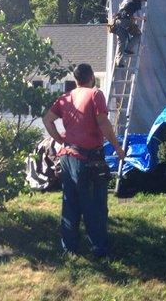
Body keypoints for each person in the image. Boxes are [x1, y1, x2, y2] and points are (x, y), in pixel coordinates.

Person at [42, 63, 125, 257]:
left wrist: (60, 140)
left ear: (76, 79)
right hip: (88, 159)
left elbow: (47, 120)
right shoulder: (95, 94)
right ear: (91, 78)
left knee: (70, 202)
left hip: (67, 157)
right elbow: (103, 122)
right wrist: (117, 147)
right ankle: (99, 248)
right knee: (94, 204)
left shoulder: (65, 98)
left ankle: (69, 247)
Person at [111, 0, 147, 67]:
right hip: (126, 22)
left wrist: (134, 18)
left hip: (117, 22)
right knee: (138, 34)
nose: (142, 0)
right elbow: (139, 14)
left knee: (122, 41)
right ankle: (129, 48)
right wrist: (143, 18)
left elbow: (125, 13)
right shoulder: (136, 0)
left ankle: (120, 62)